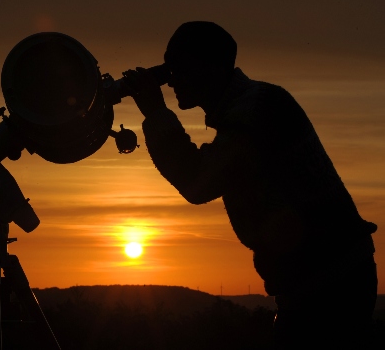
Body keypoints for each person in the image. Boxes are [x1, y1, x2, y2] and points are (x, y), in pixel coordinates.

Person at [122, 21, 378, 349]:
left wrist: (156, 112)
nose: (172, 78)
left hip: (329, 284)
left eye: (179, 67)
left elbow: (198, 183)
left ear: (212, 67)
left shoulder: (257, 109)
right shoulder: (255, 105)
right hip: (325, 281)